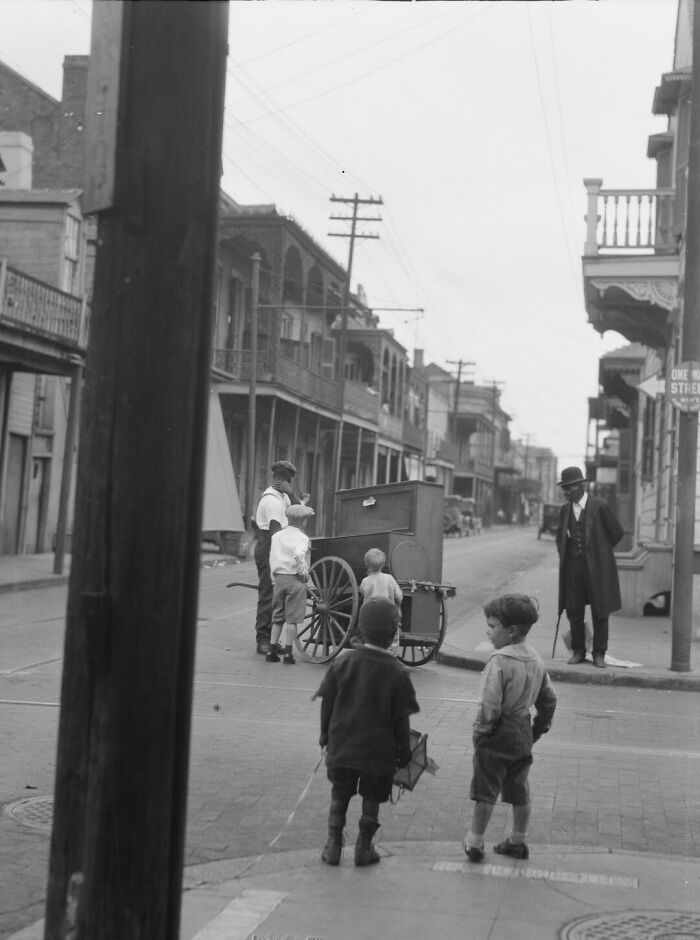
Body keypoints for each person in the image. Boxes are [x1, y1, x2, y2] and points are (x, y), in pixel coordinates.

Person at [313, 597, 420, 867]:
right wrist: (405, 752)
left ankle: (333, 845)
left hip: (344, 745)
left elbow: (327, 703)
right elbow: (401, 719)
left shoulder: (342, 664)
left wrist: (325, 736)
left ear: (360, 627)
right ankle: (364, 847)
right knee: (372, 798)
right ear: (394, 633)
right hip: (379, 752)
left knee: (340, 794)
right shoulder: (397, 672)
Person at [464, 594, 557, 864]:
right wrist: (536, 729)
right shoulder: (536, 660)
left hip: (497, 732)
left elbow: (489, 704)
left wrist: (481, 732)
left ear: (511, 630)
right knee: (520, 788)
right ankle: (518, 840)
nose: (488, 631)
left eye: (492, 626)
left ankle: (475, 842)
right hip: (522, 731)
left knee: (486, 789)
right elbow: (549, 699)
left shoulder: (499, 661)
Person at [555, 466, 624, 669]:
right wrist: (564, 555)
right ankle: (578, 651)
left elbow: (617, 533)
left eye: (569, 488)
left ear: (582, 486)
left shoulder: (600, 506)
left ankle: (599, 653)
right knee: (574, 610)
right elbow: (560, 537)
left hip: (598, 570)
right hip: (573, 569)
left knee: (600, 611)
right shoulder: (564, 510)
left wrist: (600, 551)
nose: (566, 492)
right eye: (564, 488)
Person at [253, 460, 301, 655]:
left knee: (276, 594)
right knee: (268, 594)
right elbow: (274, 534)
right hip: (269, 546)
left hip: (277, 544)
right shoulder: (272, 500)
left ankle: (271, 639)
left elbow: (300, 513)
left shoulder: (283, 496)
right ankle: (263, 640)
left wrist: (291, 493)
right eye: (287, 481)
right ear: (286, 479)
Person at [267, 503, 315, 665]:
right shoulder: (302, 538)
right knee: (292, 619)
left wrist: (274, 578)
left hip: (279, 579)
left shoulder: (276, 536)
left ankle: (271, 649)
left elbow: (272, 558)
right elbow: (299, 555)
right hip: (295, 579)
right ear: (303, 522)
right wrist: (304, 573)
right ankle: (288, 653)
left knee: (277, 617)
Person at [355, 547, 403, 655]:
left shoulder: (365, 581)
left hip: (370, 615)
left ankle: (370, 652)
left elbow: (362, 592)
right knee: (393, 635)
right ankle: (391, 655)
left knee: (370, 635)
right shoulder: (389, 578)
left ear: (367, 565)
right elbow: (399, 596)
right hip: (388, 614)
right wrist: (398, 602)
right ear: (383, 565)